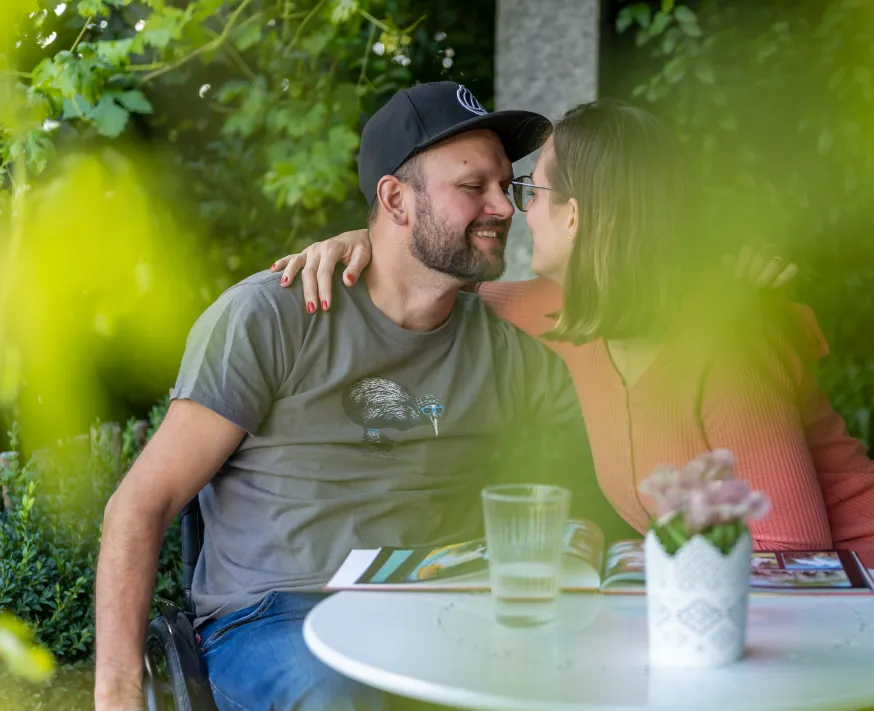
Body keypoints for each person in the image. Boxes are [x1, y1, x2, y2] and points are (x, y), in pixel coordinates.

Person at [273, 100, 874, 595]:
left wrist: (638, 567)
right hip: (739, 600)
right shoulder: (555, 312)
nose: (515, 209)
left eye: (531, 190)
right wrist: (367, 242)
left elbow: (790, 553)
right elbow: (426, 289)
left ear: (577, 215)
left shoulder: (723, 337)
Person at [94, 82, 581, 711]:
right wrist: (117, 694)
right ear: (395, 198)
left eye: (505, 185)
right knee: (340, 695)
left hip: (439, 615)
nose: (504, 206)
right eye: (472, 187)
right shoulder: (272, 316)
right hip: (275, 619)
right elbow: (140, 505)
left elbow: (577, 511)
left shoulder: (513, 357)